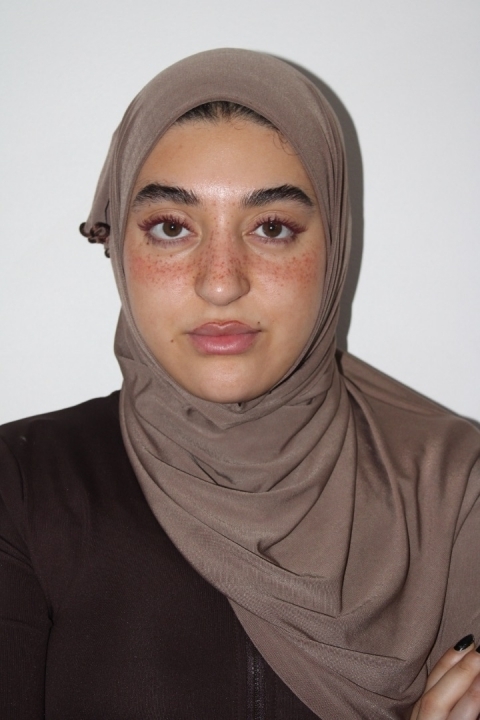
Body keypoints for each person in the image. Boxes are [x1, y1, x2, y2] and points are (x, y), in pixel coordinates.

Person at [0, 48, 479, 720]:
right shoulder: (21, 486)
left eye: (272, 228)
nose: (221, 282)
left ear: (334, 245)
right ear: (119, 249)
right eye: (172, 228)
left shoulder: (454, 488)